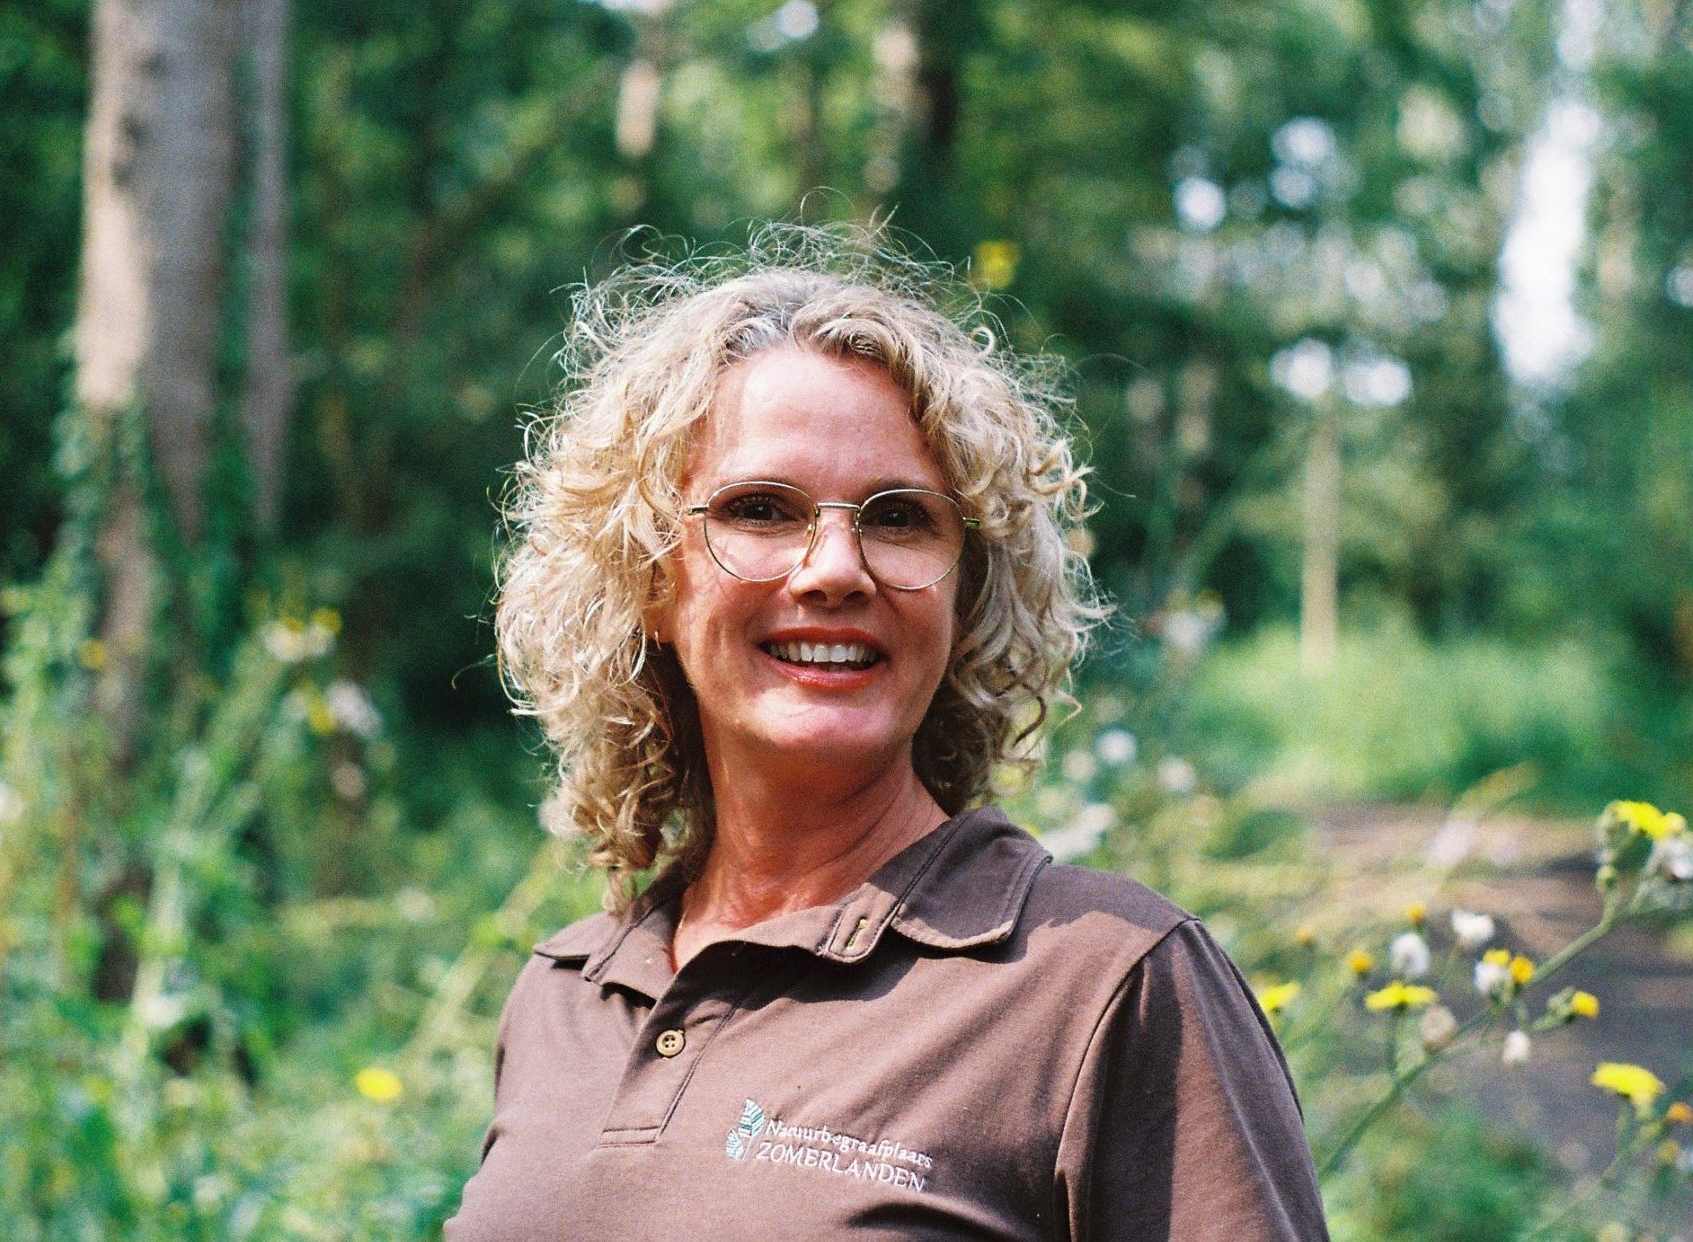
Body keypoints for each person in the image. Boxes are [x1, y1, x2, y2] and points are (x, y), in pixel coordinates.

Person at [448, 226, 1329, 1240]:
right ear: (649, 577)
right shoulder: (562, 993)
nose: (833, 569)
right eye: (761, 509)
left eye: (899, 517)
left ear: (965, 592)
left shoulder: (1106, 986)